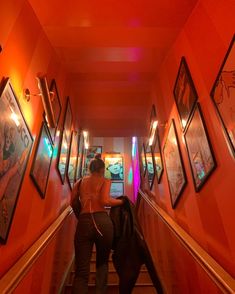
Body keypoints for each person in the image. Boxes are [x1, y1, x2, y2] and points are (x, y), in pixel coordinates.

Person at [71, 154, 124, 294]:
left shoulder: (79, 181)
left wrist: (81, 216)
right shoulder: (105, 180)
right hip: (103, 223)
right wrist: (122, 201)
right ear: (102, 169)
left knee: (81, 271)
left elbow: (72, 202)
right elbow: (105, 201)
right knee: (102, 264)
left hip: (84, 222)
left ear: (90, 168)